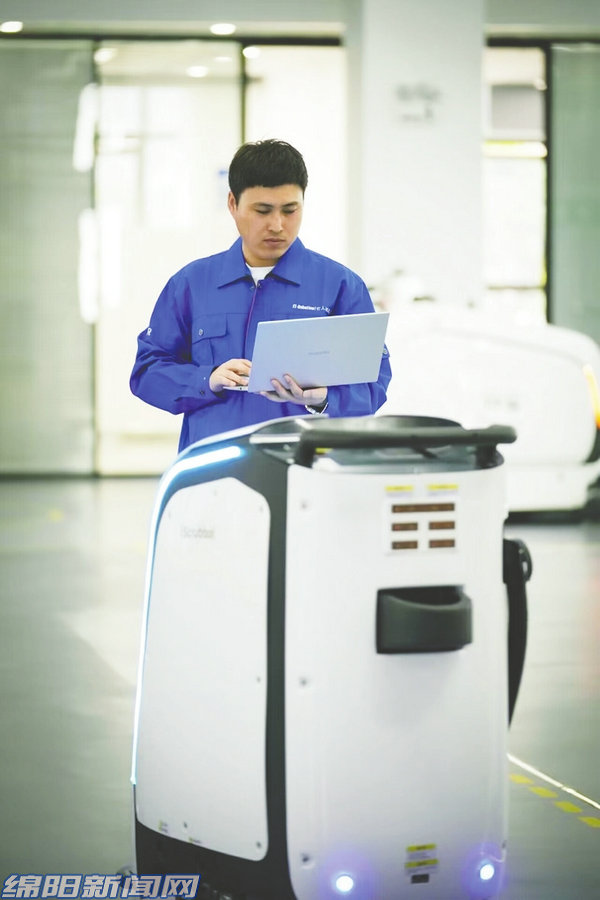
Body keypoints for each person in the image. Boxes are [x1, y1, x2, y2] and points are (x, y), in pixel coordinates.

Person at [130, 139, 391, 452]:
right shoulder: (191, 284)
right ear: (233, 204)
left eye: (290, 210)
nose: (277, 225)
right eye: (262, 211)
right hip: (214, 464)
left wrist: (322, 398)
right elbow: (148, 372)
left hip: (306, 465)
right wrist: (207, 379)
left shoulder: (340, 286)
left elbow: (374, 382)